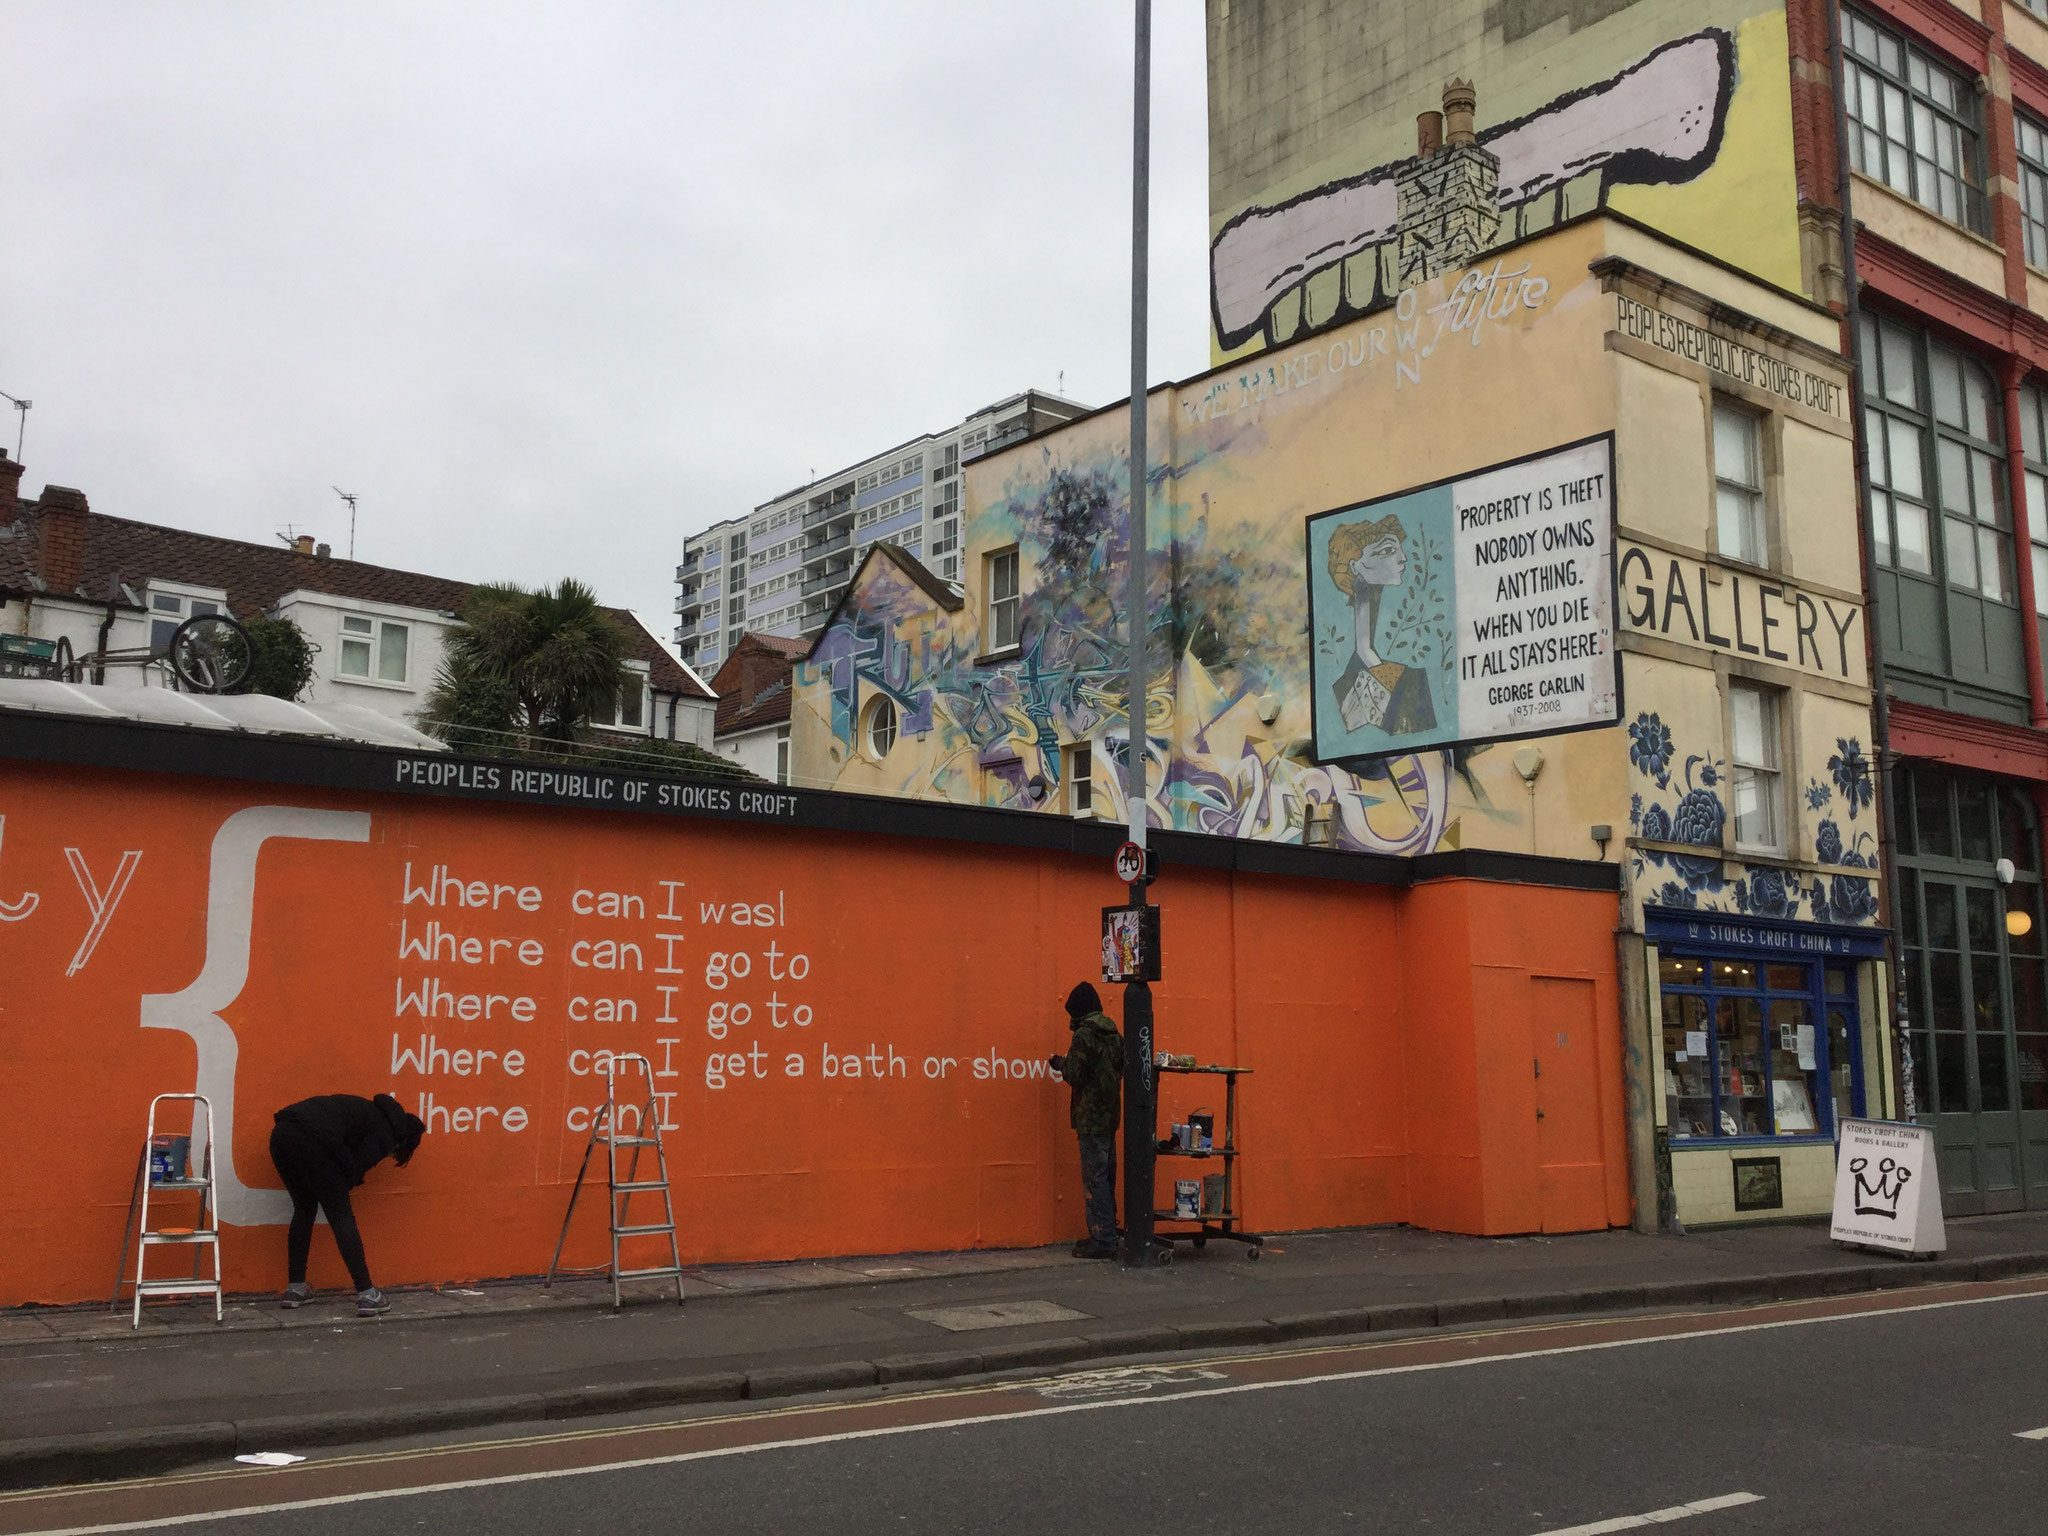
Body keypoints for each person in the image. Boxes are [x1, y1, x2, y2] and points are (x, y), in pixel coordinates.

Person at [269, 1092, 425, 1316]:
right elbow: (355, 1167)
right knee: (341, 1217)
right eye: (395, 1155)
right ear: (402, 1143)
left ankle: (296, 1289)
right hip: (315, 1142)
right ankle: (367, 1294)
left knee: (304, 1210)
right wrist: (340, 1184)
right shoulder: (387, 1132)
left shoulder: (369, 1112)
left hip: (282, 1135)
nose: (391, 1157)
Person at [1328, 513, 1436, 736]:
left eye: (1399, 548)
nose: (1403, 558)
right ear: (1355, 566)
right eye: (1387, 551)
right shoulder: (1355, 687)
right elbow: (1364, 649)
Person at [1048, 982, 1122, 1260]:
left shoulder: (1084, 1035)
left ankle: (1102, 1239)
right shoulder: (1114, 1034)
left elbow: (1076, 1074)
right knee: (1107, 1176)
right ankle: (1108, 1232)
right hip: (1110, 1116)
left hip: (1090, 1118)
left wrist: (1059, 1063)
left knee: (1094, 1179)